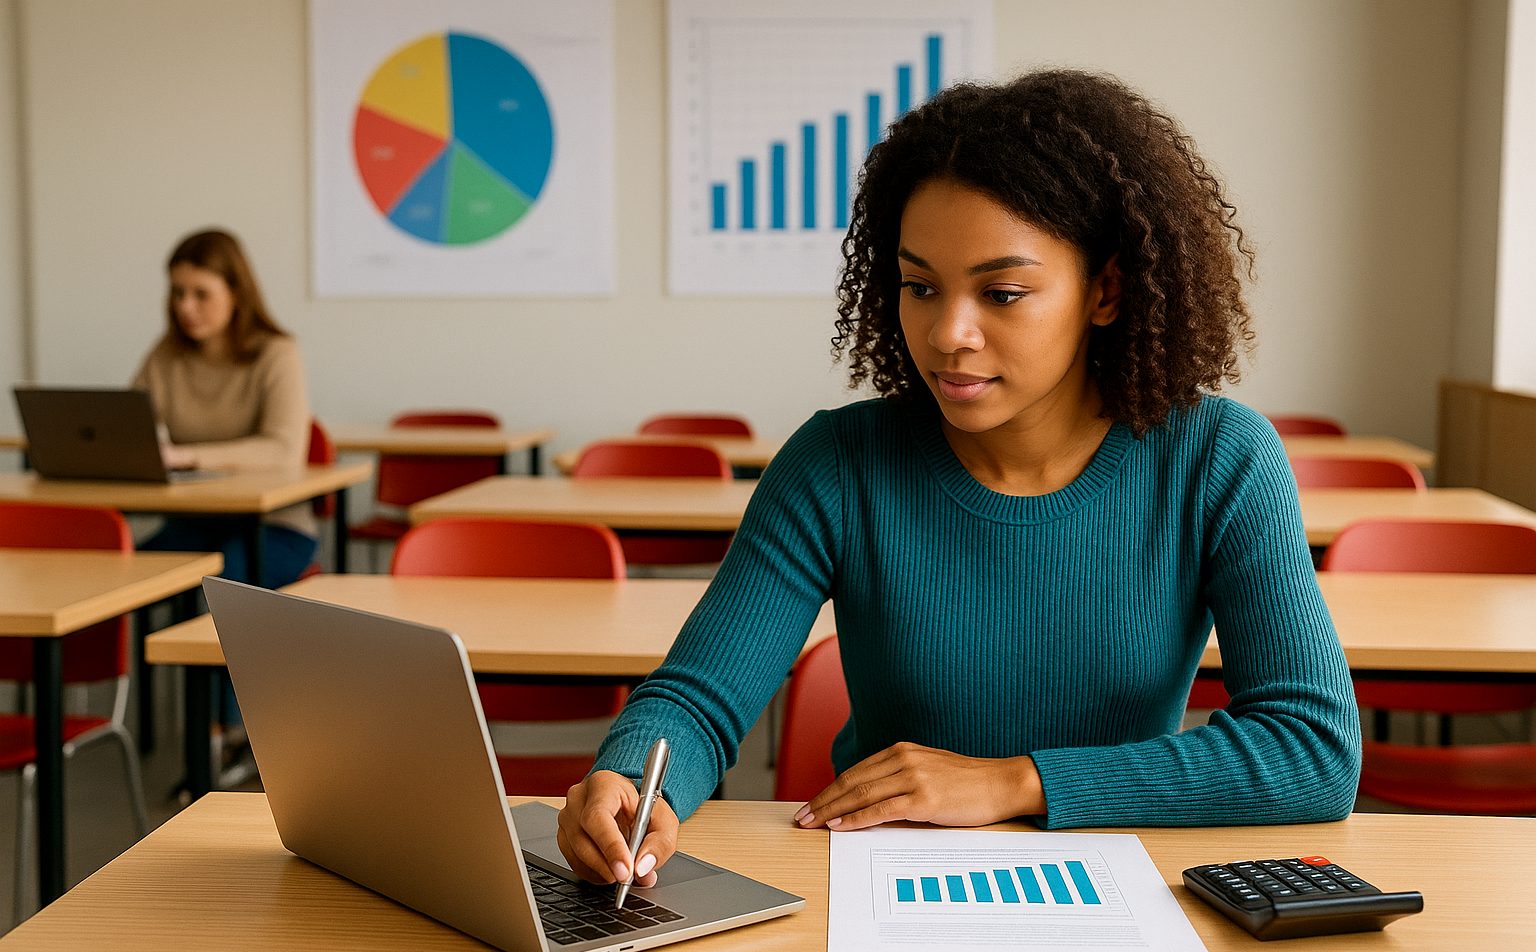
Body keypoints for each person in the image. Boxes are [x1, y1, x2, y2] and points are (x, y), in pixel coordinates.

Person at [557, 69, 1361, 892]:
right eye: (919, 286)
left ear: (1106, 291)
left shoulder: (1220, 457)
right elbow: (697, 697)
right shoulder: (839, 463)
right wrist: (627, 781)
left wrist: (1013, 782)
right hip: (881, 888)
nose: (948, 333)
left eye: (1002, 292)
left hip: (1120, 893)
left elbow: (1311, 748)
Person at [133, 228, 317, 588]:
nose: (186, 306)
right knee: (122, 577)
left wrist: (187, 457)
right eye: (178, 292)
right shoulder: (165, 356)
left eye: (201, 294)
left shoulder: (277, 354)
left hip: (274, 528)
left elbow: (283, 451)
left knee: (226, 580)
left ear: (236, 293)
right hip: (194, 522)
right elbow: (128, 428)